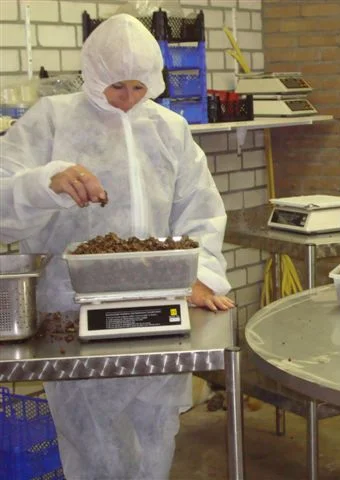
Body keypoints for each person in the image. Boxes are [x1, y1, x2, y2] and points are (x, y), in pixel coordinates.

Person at [0, 13, 234, 479]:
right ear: (93, 74)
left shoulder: (169, 129)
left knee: (155, 436)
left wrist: (201, 274)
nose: (127, 100)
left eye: (139, 87)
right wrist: (46, 183)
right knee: (90, 443)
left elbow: (201, 211)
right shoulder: (52, 120)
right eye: (116, 87)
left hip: (160, 308)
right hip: (71, 314)